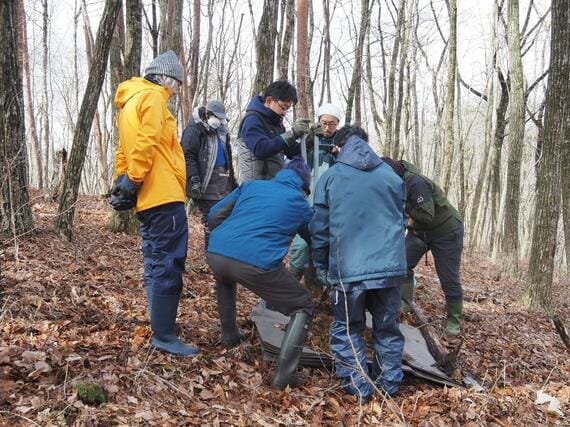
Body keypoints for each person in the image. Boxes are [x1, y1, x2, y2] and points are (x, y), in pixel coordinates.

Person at [110, 50, 198, 356]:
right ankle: (164, 335)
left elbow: (124, 149)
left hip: (147, 200)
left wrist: (124, 183)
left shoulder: (128, 103)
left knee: (154, 259)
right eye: (175, 85)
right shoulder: (154, 98)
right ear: (166, 78)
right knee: (169, 261)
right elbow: (146, 142)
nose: (174, 92)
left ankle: (159, 325)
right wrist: (133, 180)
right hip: (163, 194)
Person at [310, 125, 407, 401]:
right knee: (387, 327)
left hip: (348, 270)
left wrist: (320, 265)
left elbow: (320, 229)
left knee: (348, 327)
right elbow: (400, 220)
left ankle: (359, 388)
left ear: (338, 148)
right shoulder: (391, 176)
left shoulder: (331, 178)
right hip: (390, 269)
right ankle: (388, 386)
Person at [205, 156, 314, 389]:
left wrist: (227, 235)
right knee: (303, 305)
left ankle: (230, 335)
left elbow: (214, 215)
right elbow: (314, 239)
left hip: (216, 252)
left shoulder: (251, 186)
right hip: (257, 263)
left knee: (225, 277)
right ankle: (285, 376)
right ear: (304, 186)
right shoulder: (300, 202)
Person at [381, 157, 464, 336]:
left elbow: (426, 215)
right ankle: (404, 304)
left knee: (448, 277)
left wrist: (405, 212)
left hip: (446, 232)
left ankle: (454, 321)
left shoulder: (415, 183)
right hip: (420, 232)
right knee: (401, 263)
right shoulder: (397, 183)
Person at [289, 103, 342, 280]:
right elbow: (296, 160)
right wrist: (309, 142)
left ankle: (324, 287)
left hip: (331, 204)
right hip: (308, 201)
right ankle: (290, 285)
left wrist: (339, 154)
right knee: (301, 246)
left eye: (332, 124)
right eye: (324, 123)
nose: (327, 128)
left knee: (327, 245)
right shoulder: (308, 140)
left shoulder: (342, 143)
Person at [181, 99, 237, 250]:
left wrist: (233, 182)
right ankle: (212, 254)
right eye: (216, 117)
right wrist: (194, 179)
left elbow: (228, 158)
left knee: (225, 218)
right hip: (204, 183)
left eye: (221, 118)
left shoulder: (223, 132)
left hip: (223, 182)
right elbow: (188, 156)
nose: (218, 121)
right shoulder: (194, 130)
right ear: (207, 114)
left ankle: (220, 253)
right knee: (212, 219)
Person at [235, 80, 310, 182]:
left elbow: (291, 151)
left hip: (272, 185)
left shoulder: (277, 125)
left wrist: (309, 140)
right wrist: (292, 134)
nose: (284, 113)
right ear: (270, 101)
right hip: (255, 188)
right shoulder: (252, 120)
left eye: (287, 109)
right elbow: (260, 149)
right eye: (283, 108)